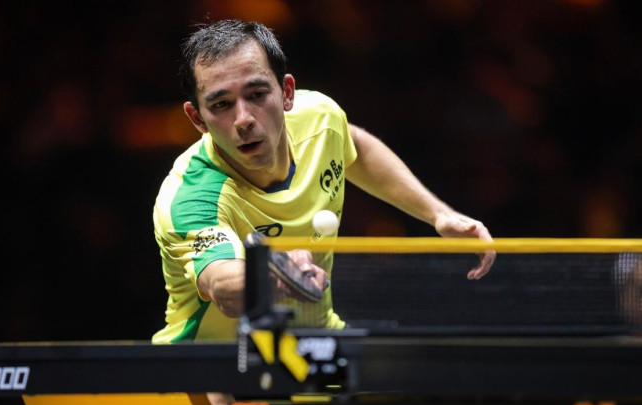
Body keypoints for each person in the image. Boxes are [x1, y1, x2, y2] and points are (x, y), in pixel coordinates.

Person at [151, 19, 496, 344]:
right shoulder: (190, 198)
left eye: (257, 94)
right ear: (197, 118)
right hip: (211, 363)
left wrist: (438, 214)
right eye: (222, 104)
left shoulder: (319, 118)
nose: (243, 119)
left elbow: (354, 146)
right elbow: (223, 285)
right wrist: (277, 270)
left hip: (314, 341)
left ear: (286, 92)